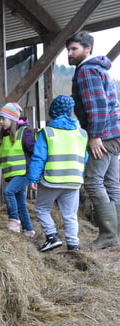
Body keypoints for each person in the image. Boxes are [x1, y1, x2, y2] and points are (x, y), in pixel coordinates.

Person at [66, 30, 120, 248]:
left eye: (74, 49)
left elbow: (97, 107)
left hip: (104, 135)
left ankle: (108, 235)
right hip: (114, 133)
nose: (69, 53)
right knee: (111, 183)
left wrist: (94, 136)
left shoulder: (87, 71)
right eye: (68, 49)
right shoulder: (97, 68)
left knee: (93, 181)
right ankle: (115, 234)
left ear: (87, 49)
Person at [28, 95, 88, 252]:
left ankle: (52, 237)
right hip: (74, 180)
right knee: (70, 215)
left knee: (42, 209)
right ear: (70, 112)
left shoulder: (48, 132)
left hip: (51, 179)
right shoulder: (81, 133)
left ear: (52, 111)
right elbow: (85, 157)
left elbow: (39, 157)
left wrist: (33, 178)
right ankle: (73, 245)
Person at [0, 103, 36, 237]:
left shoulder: (24, 133)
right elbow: (2, 155)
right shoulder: (5, 136)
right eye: (0, 119)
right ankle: (28, 230)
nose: (0, 122)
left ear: (12, 119)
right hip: (12, 174)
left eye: (3, 119)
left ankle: (14, 220)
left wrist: (36, 173)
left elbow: (35, 151)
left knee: (8, 191)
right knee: (21, 203)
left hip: (24, 173)